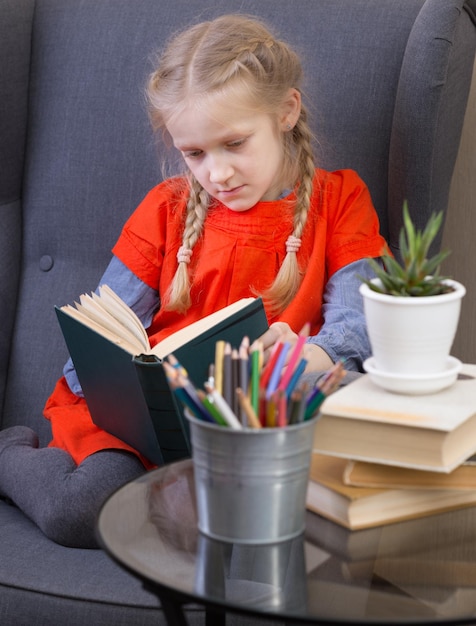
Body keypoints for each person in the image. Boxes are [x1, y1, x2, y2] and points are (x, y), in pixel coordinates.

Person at [0, 14, 387, 548]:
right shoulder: (168, 208)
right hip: (150, 425)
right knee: (80, 510)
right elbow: (105, 325)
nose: (217, 174)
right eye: (195, 154)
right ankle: (8, 455)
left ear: (286, 112)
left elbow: (362, 321)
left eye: (234, 143)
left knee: (232, 521)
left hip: (264, 425)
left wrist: (314, 357)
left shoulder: (339, 201)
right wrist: (123, 386)